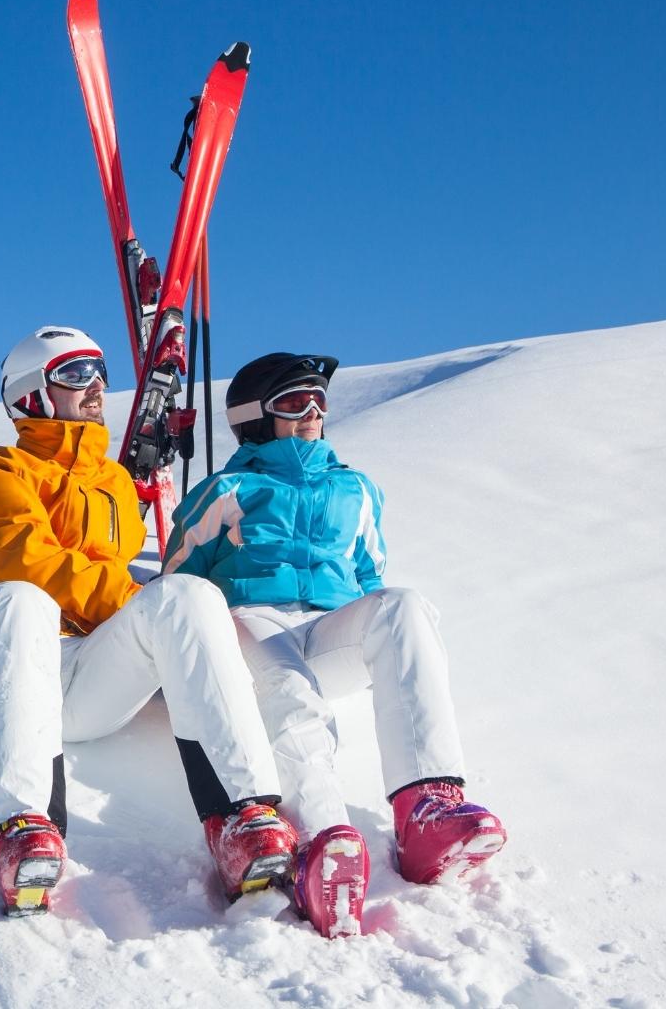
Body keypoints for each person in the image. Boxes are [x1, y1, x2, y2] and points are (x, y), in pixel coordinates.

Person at [0, 326, 296, 916]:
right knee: (22, 599)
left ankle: (242, 817)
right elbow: (37, 565)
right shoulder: (0, 472)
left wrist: (162, 621)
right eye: (76, 374)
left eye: (99, 372)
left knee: (185, 594)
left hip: (87, 676)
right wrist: (133, 603)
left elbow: (130, 590)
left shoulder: (112, 482)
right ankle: (22, 829)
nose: (97, 386)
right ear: (33, 394)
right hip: (7, 668)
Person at [164, 352, 507, 938]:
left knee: (403, 606)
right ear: (253, 417)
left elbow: (370, 576)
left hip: (328, 626)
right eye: (295, 402)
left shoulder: (356, 488)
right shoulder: (227, 488)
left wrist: (374, 626)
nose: (313, 412)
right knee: (289, 689)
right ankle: (323, 841)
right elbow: (178, 581)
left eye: (320, 401)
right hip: (252, 619)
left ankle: (428, 810)